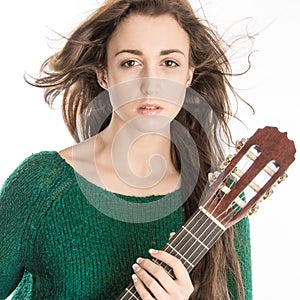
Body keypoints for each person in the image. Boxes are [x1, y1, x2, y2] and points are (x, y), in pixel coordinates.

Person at [0, 0, 252, 299]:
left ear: (188, 75)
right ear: (103, 74)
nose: (150, 84)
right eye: (130, 62)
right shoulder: (42, 185)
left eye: (169, 63)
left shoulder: (220, 199)